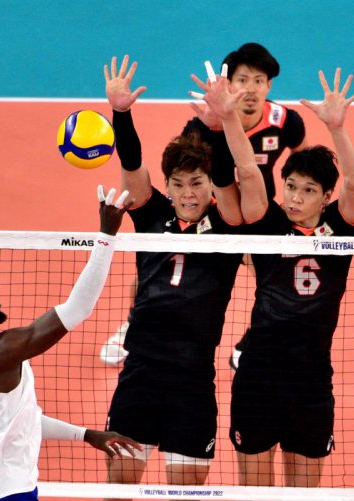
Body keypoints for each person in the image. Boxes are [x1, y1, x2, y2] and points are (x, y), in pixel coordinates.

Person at [197, 64, 354, 487]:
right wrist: (228, 117)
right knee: (255, 492)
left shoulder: (340, 230)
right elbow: (248, 172)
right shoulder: (268, 223)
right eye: (291, 186)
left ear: (326, 197)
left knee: (303, 495)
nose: (295, 197)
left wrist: (337, 130)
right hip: (258, 376)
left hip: (311, 380)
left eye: (308, 191)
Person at [101, 42, 307, 369]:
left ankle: (255, 336)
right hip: (214, 201)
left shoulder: (285, 121)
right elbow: (180, 169)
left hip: (254, 210)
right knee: (155, 256)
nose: (250, 89)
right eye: (243, 79)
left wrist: (293, 206)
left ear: (269, 85)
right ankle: (133, 320)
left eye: (259, 80)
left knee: (271, 275)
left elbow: (301, 162)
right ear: (228, 83)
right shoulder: (199, 127)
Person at [0, 186, 142, 501]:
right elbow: (77, 309)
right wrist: (106, 236)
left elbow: (19, 418)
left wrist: (86, 435)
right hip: (6, 492)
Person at [101, 55, 244, 494]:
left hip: (193, 380)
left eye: (197, 182)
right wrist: (121, 114)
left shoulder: (228, 224)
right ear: (168, 187)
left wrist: (219, 124)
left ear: (211, 185)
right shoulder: (151, 215)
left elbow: (227, 176)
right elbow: (131, 165)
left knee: (187, 491)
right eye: (179, 184)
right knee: (122, 488)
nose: (187, 193)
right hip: (140, 373)